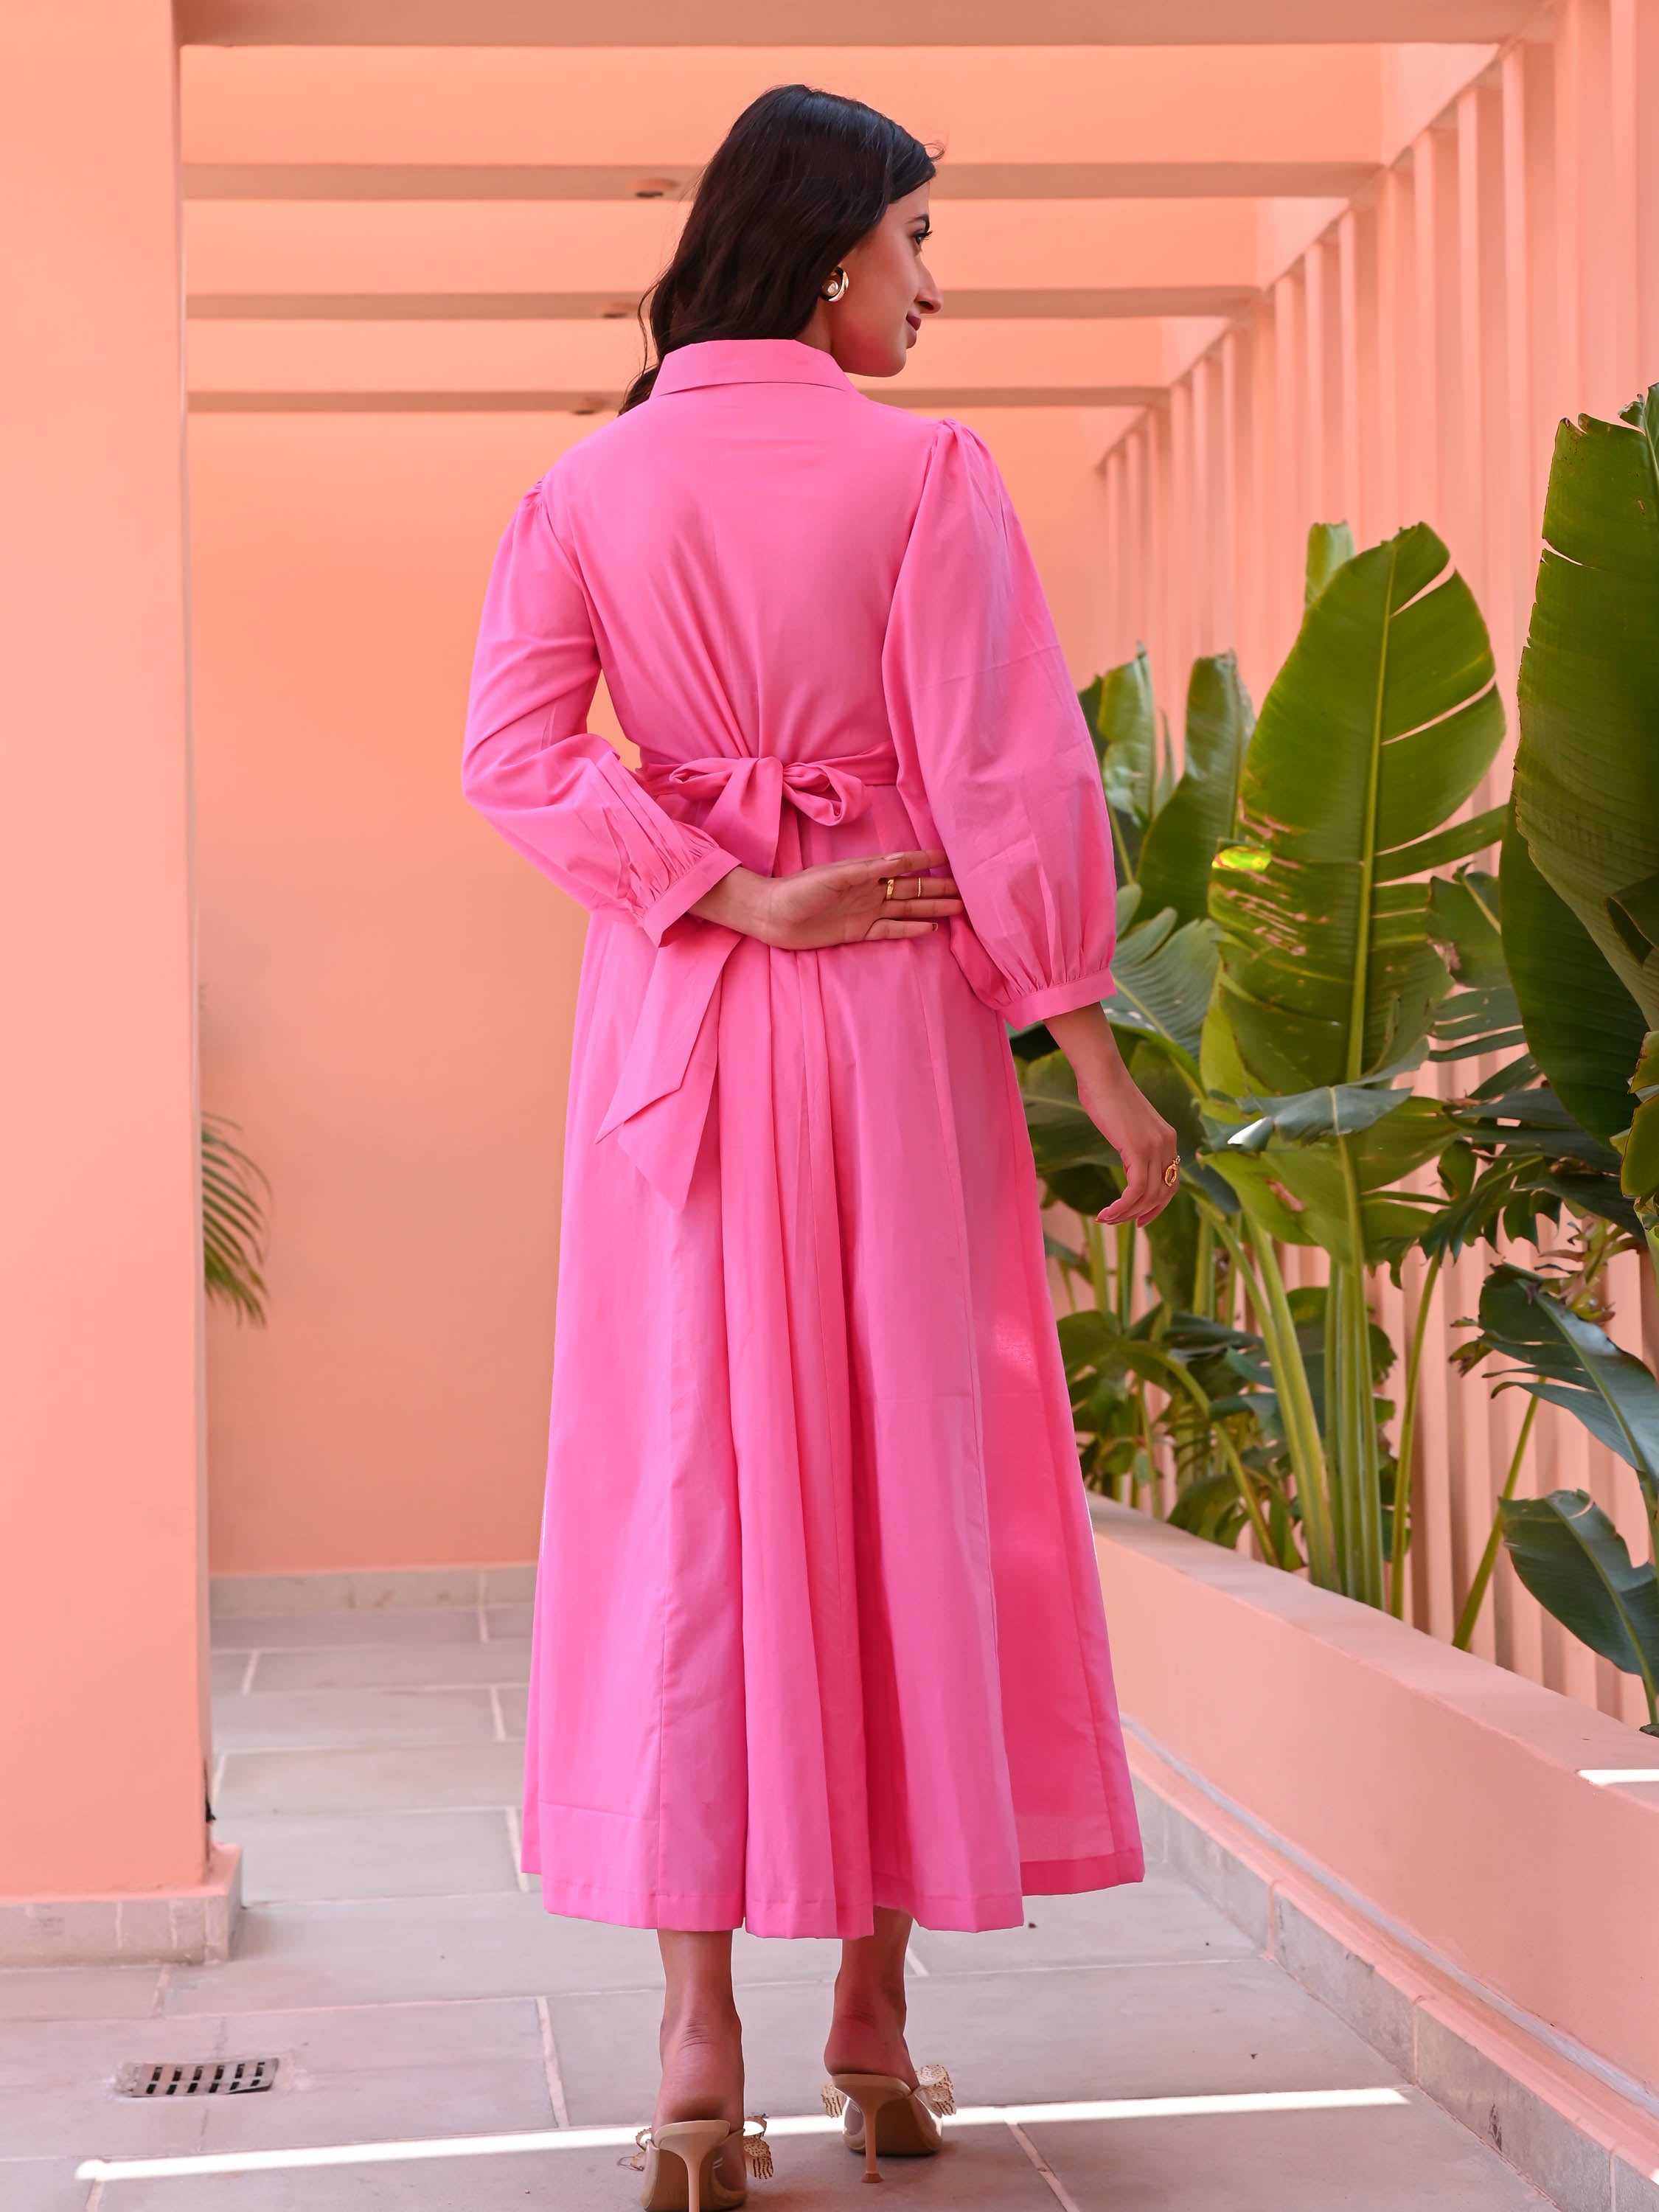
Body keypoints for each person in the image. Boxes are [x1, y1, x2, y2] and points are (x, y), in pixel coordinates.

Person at [462, 81, 1179, 2212]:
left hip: (680, 1026)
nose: (930, 289)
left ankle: (699, 2051)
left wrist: (709, 887)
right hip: (887, 1026)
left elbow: (511, 757)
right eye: (917, 246)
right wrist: (1092, 1051)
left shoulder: (580, 485)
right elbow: (1004, 780)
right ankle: (866, 2021)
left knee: (688, 1484)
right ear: (832, 249)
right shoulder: (925, 473)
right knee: (897, 1471)